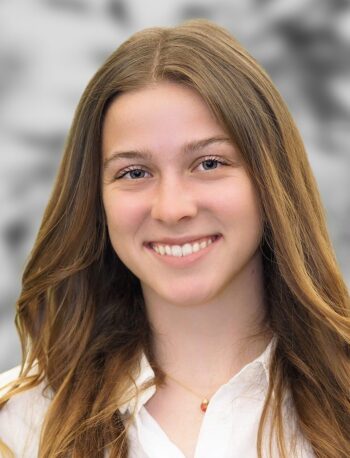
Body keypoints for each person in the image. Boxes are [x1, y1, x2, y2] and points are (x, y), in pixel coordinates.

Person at [0, 18, 349, 458]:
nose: (172, 208)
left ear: (270, 178)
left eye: (208, 163)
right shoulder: (19, 424)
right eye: (135, 173)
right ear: (95, 200)